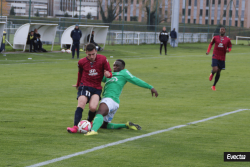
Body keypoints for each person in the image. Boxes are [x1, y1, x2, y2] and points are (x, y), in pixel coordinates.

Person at [85, 59, 158, 136]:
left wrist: (150, 87)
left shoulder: (124, 73)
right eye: (114, 65)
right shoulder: (110, 74)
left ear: (122, 67)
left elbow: (135, 80)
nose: (115, 67)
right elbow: (97, 78)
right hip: (113, 102)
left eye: (117, 65)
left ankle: (93, 131)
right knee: (104, 125)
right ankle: (126, 125)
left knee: (99, 113)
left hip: (110, 99)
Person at [67, 43, 113, 133]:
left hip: (96, 88)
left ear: (96, 51)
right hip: (85, 86)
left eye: (93, 54)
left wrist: (109, 75)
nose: (91, 56)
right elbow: (79, 73)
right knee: (81, 104)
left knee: (93, 107)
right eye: (89, 55)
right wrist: (78, 84)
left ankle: (88, 123)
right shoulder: (81, 62)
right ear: (86, 53)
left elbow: (109, 72)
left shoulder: (103, 59)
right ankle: (75, 127)